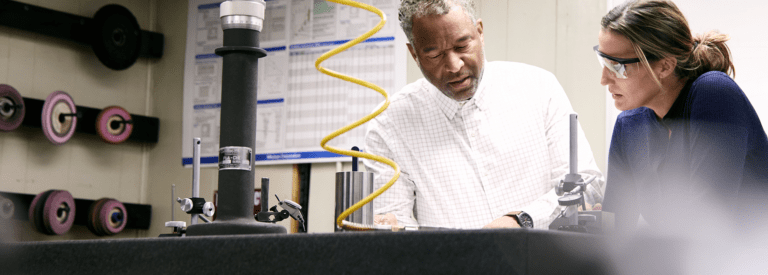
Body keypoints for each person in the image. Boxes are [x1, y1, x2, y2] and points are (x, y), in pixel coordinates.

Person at [363, 0, 605, 229]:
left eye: (462, 46)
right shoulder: (389, 123)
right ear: (414, 54)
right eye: (435, 55)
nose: (454, 65)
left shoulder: (539, 88)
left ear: (479, 32)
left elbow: (588, 186)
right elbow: (393, 220)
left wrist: (523, 220)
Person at [598, 0, 768, 233]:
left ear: (665, 67)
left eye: (616, 65)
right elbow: (613, 227)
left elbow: (706, 229)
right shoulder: (630, 124)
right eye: (602, 60)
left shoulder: (714, 94)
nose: (604, 79)